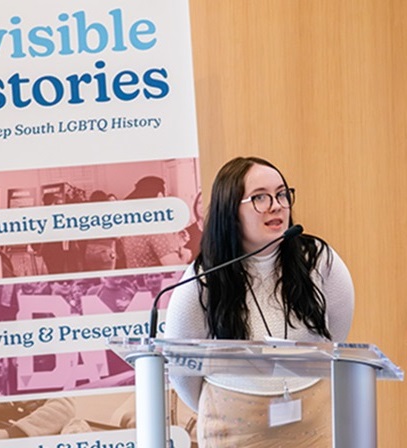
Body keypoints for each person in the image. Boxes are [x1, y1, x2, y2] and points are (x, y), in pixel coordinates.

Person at [165, 157, 355, 447]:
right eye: (260, 198)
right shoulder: (204, 278)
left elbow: (338, 332)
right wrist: (235, 394)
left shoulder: (317, 259)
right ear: (230, 211)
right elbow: (183, 367)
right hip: (233, 423)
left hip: (312, 416)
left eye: (281, 194)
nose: (277, 205)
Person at [121, 176, 191, 267]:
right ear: (159, 196)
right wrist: (186, 255)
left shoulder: (131, 224)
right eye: (166, 195)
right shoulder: (156, 228)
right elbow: (174, 266)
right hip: (157, 280)